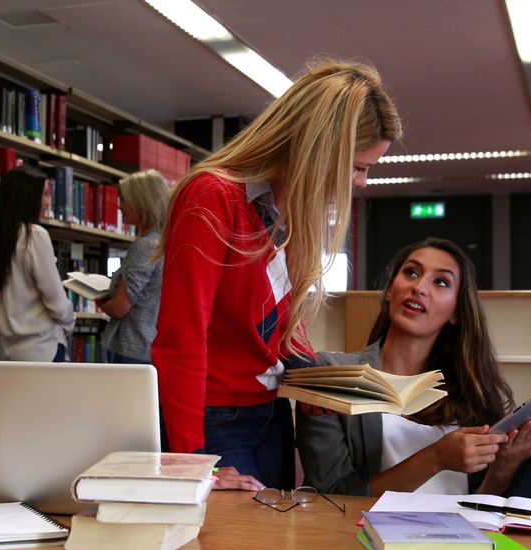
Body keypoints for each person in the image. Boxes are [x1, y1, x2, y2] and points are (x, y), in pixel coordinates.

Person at [151, 59, 403, 490]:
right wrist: (193, 465)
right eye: (358, 167)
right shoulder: (213, 196)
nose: (360, 182)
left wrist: (320, 383)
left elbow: (284, 323)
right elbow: (181, 338)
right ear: (317, 149)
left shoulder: (294, 210)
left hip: (270, 411)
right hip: (214, 418)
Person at [295, 237, 531, 506]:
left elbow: (479, 504)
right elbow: (332, 498)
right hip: (373, 534)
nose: (420, 287)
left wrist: (503, 468)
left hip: (468, 536)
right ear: (389, 290)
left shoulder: (469, 391)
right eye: (411, 273)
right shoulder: (332, 374)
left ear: (456, 313)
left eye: (440, 282)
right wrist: (436, 457)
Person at [0, 166, 74, 362]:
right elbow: (57, 302)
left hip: (6, 352)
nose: (48, 201)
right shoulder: (34, 236)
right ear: (28, 198)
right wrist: (70, 323)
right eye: (45, 194)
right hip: (42, 350)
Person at [99, 169, 170, 364]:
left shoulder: (144, 246)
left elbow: (120, 307)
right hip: (150, 346)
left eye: (125, 200)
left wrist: (101, 301)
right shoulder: (166, 242)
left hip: (130, 348)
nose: (120, 207)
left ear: (141, 201)